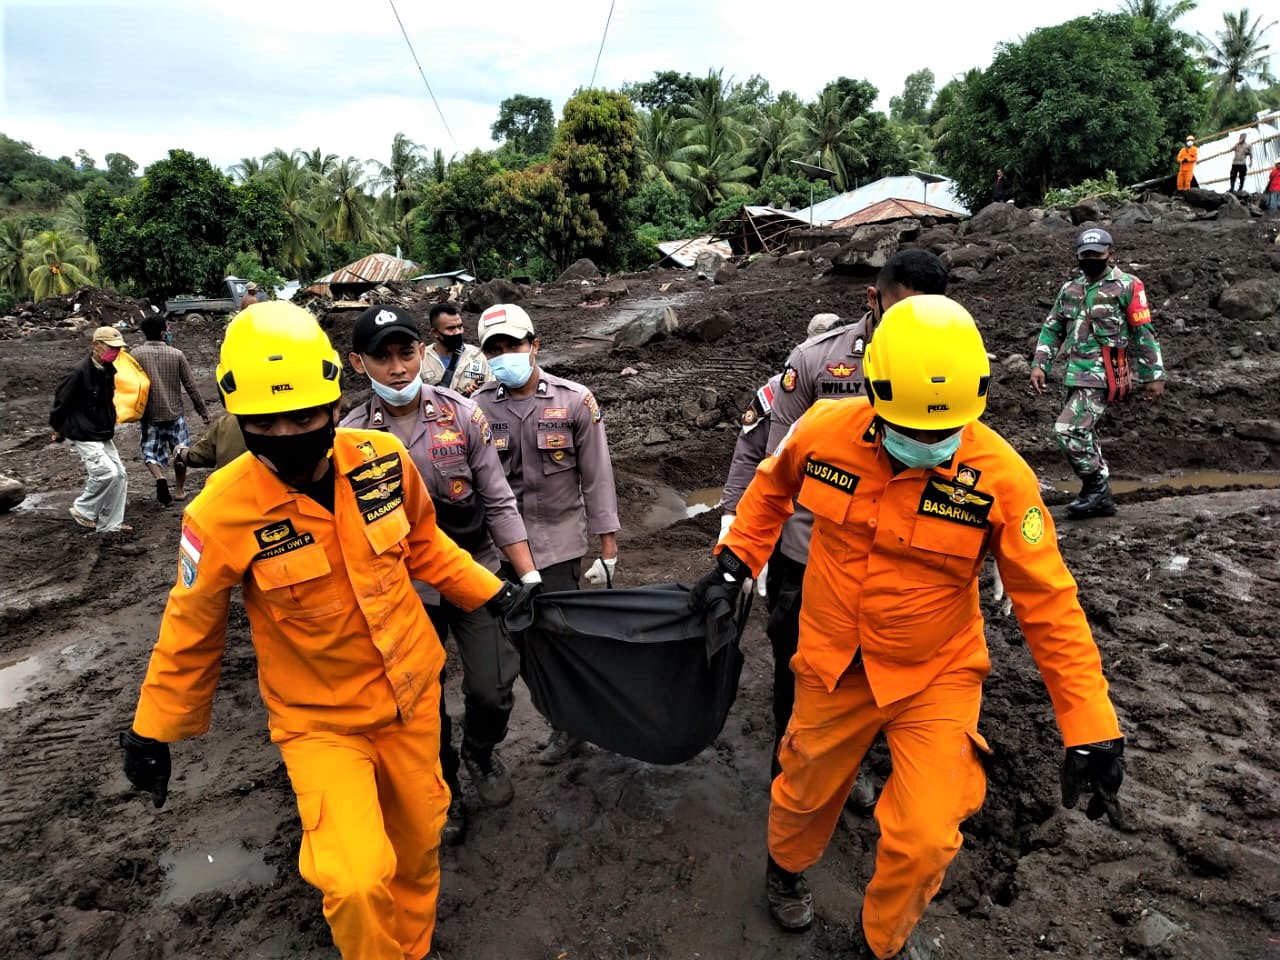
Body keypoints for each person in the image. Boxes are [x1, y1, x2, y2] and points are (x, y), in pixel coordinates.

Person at [693, 296, 1126, 960]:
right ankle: (786, 869)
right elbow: (771, 486)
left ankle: (881, 942)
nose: (926, 445)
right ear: (875, 393)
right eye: (912, 430)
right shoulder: (824, 429)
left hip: (936, 675)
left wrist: (1091, 726)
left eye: (941, 432)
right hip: (835, 660)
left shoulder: (1002, 478)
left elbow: (1050, 605)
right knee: (802, 792)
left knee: (928, 832)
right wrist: (735, 561)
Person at [118, 301, 533, 960]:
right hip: (322, 724)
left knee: (418, 847)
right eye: (265, 423)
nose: (286, 434)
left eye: (304, 418)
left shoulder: (381, 460)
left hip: (412, 699)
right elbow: (190, 625)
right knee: (356, 879)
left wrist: (495, 592)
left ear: (335, 403)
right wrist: (153, 728)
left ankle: (412, 947)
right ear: (239, 419)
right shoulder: (220, 512)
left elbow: (426, 545)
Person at [340, 304, 541, 846]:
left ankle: (480, 751)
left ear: (421, 352)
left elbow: (498, 500)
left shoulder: (463, 415)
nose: (397, 368)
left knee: (494, 685)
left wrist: (527, 577)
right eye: (382, 358)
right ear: (359, 364)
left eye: (406, 353)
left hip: (474, 572)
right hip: (407, 591)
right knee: (420, 699)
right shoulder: (350, 438)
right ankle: (444, 784)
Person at [755, 251, 948, 792]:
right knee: (799, 668)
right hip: (811, 554)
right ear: (874, 299)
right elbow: (778, 465)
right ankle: (790, 770)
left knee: (874, 673)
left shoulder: (949, 362)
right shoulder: (817, 360)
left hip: (900, 556)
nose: (916, 328)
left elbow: (962, 453)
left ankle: (850, 764)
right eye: (903, 311)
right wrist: (754, 547)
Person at [472, 303, 620, 764]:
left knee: (561, 640)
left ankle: (574, 726)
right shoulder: (476, 407)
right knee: (520, 646)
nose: (504, 355)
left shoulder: (574, 400)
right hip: (500, 552)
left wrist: (608, 548)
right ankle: (559, 718)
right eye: (494, 349)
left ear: (534, 345)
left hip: (558, 546)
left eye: (513, 345)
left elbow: (597, 477)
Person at [1030, 228, 1164, 520]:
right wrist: (1041, 364)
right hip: (1074, 373)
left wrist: (1153, 375)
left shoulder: (1128, 286)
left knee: (1068, 429)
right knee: (1083, 431)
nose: (1090, 259)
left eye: (1096, 254)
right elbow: (1053, 327)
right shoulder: (1070, 289)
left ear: (1109, 254)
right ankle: (1099, 496)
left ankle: (1096, 488)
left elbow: (1143, 331)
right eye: (1085, 255)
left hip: (1105, 373)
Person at [49, 325, 131, 533]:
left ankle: (110, 526)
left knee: (120, 475)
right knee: (105, 472)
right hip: (82, 431)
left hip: (101, 430)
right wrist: (58, 429)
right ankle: (83, 509)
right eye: (112, 347)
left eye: (118, 348)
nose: (116, 352)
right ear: (96, 345)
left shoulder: (108, 370)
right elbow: (61, 403)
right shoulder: (78, 372)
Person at [131, 315, 211, 503]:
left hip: (149, 414)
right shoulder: (177, 354)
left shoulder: (135, 355)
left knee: (150, 452)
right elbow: (191, 386)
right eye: (167, 329)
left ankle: (160, 478)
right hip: (174, 414)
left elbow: (126, 383)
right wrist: (203, 411)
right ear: (162, 333)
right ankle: (180, 491)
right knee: (180, 451)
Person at [421, 301, 491, 396]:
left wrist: (476, 394)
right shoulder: (423, 359)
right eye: (451, 328)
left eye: (460, 327)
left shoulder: (477, 356)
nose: (458, 332)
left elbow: (491, 393)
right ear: (435, 333)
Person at [175, 411, 248, 473]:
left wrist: (179, 451)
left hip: (232, 482)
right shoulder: (227, 422)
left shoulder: (226, 422)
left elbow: (198, 456)